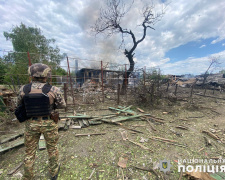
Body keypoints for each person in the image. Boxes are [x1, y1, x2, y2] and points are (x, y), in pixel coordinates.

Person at [17, 63, 66, 180]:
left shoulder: (23, 89)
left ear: (31, 75)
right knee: (52, 149)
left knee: (29, 152)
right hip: (49, 123)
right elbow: (62, 105)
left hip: (31, 124)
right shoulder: (53, 89)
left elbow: (19, 105)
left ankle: (28, 176)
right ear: (46, 75)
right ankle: (53, 173)